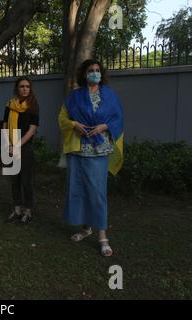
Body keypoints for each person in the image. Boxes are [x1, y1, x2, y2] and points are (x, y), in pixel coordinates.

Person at [58, 59, 124, 257]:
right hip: (78, 150)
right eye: (90, 70)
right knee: (78, 190)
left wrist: (104, 127)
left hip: (100, 150)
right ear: (84, 74)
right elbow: (62, 118)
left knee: (97, 192)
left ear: (101, 73)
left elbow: (118, 119)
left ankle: (102, 235)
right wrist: (74, 125)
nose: (94, 73)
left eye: (97, 70)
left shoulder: (110, 95)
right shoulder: (75, 96)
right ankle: (86, 228)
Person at [3, 76, 40, 224]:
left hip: (25, 147)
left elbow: (32, 130)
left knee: (26, 180)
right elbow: (5, 125)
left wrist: (17, 145)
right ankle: (17, 209)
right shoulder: (10, 104)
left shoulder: (33, 105)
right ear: (17, 88)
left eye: (27, 86)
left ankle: (28, 211)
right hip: (10, 146)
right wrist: (8, 144)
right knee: (14, 180)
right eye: (21, 86)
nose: (25, 89)